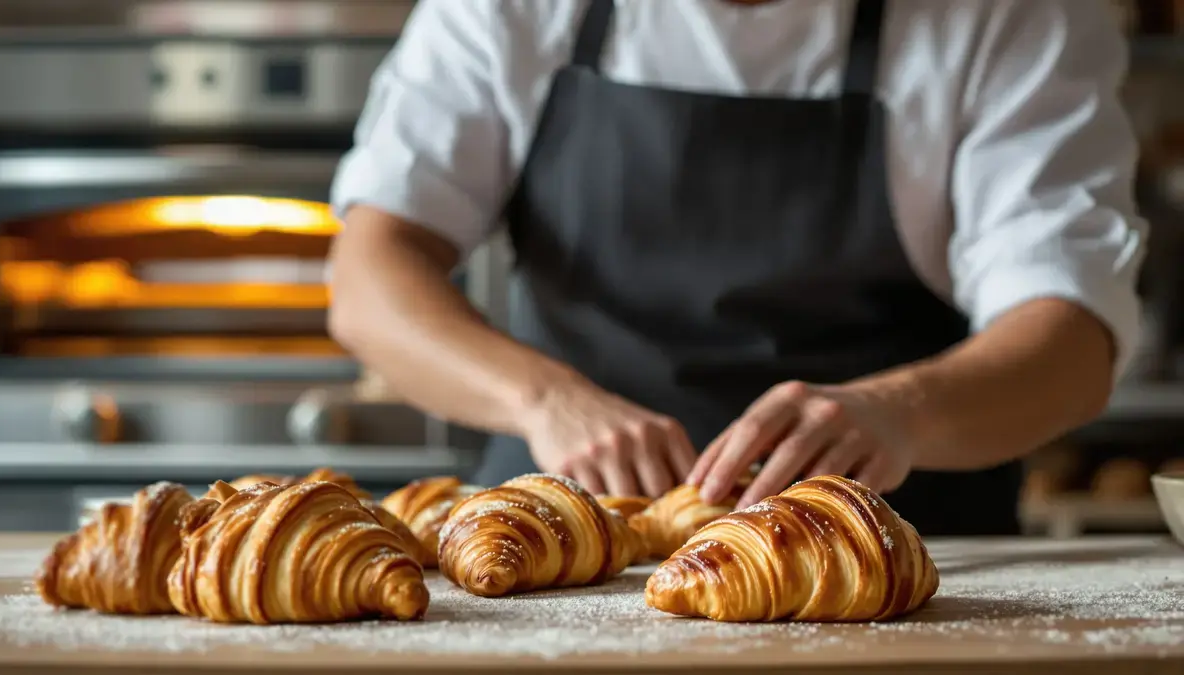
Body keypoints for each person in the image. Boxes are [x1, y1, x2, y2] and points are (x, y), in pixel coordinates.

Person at [328, 0, 1146, 536]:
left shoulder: (1012, 15)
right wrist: (544, 398)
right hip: (561, 544)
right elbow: (369, 276)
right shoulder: (511, 9)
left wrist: (900, 412)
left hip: (898, 558)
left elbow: (1071, 337)